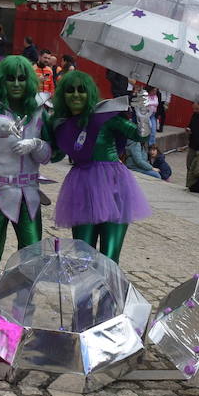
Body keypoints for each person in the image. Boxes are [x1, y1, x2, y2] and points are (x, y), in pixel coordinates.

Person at [46, 72, 152, 261]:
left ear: (90, 93)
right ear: (63, 95)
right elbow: (55, 155)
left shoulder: (105, 116)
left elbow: (139, 136)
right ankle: (85, 292)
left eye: (82, 90)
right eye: (70, 90)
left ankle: (108, 292)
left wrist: (143, 114)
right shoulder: (62, 124)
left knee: (110, 259)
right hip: (81, 188)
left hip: (114, 187)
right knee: (82, 257)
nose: (76, 95)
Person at [0, 56, 50, 293]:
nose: (16, 83)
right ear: (2, 81)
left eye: (21, 78)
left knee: (32, 252)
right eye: (10, 78)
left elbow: (48, 155)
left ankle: (20, 304)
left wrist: (36, 144)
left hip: (27, 191)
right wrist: (9, 127)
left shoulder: (40, 108)